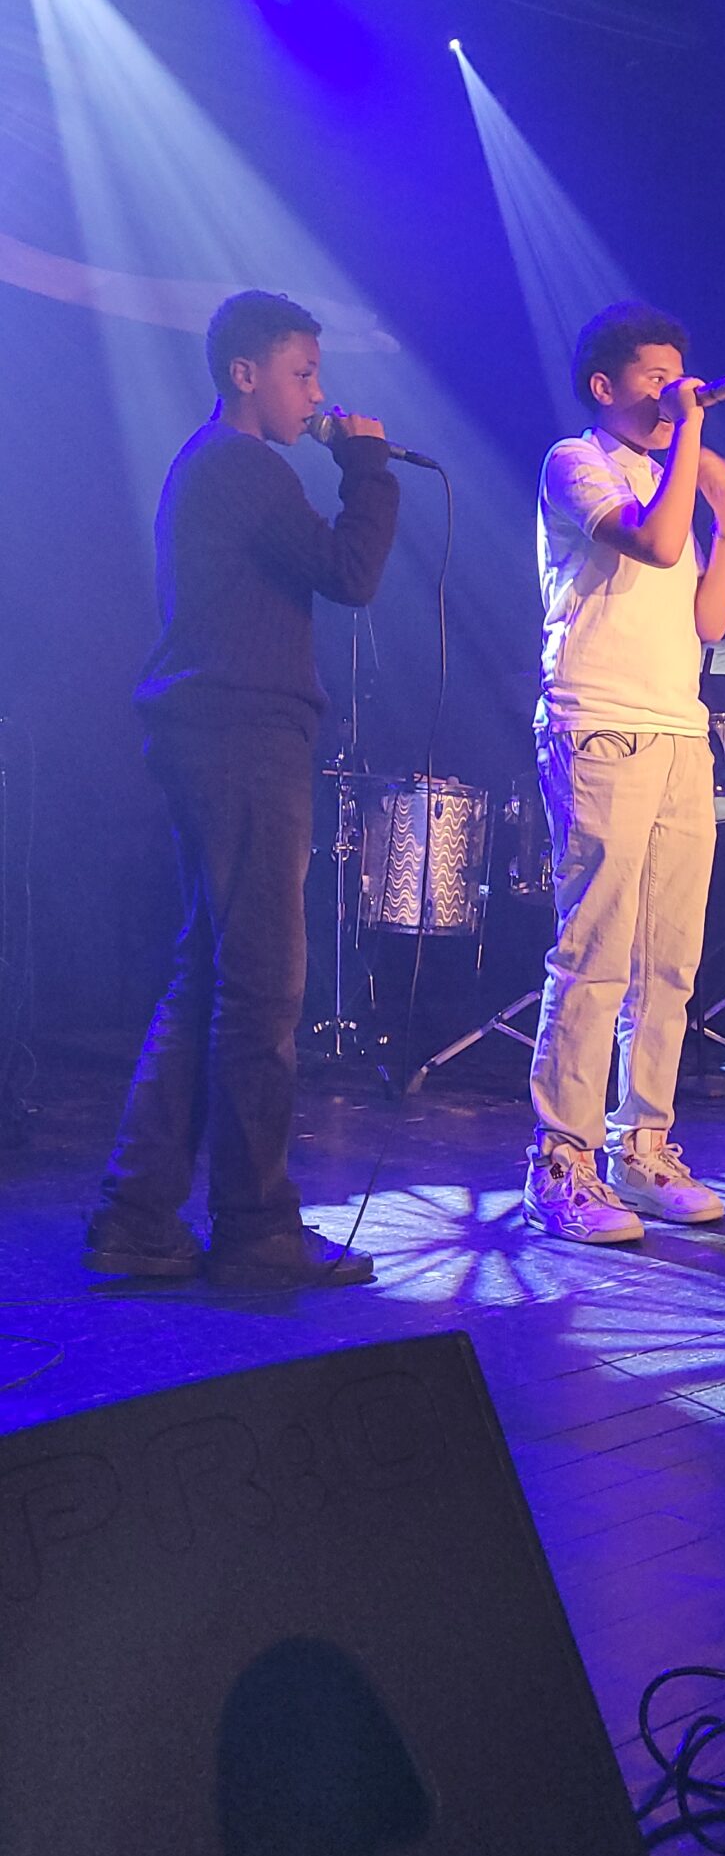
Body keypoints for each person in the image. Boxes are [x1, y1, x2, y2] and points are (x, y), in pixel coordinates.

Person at [84, 290, 399, 1285]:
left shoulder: (214, 465)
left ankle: (138, 1214)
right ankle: (257, 1225)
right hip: (241, 736)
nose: (317, 395)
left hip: (210, 733)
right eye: (302, 374)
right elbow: (349, 572)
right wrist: (368, 467)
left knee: (210, 975)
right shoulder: (241, 464)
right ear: (245, 374)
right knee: (262, 986)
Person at [525, 301, 725, 1245]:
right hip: (600, 725)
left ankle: (643, 1147)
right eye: (655, 378)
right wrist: (690, 435)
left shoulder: (668, 478)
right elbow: (650, 542)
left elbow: (707, 622)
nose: (672, 391)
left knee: (669, 958)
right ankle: (559, 1162)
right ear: (603, 385)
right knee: (595, 953)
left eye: (677, 376)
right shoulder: (575, 462)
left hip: (678, 728)